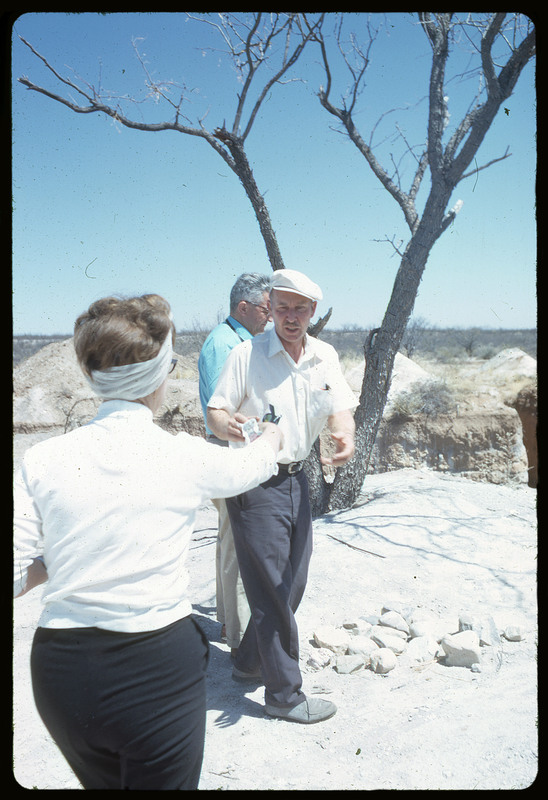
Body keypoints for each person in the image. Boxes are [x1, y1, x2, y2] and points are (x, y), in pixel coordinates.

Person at [13, 293, 283, 790]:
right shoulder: (181, 455)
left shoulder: (42, 459)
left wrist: (64, 554)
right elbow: (252, 466)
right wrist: (268, 438)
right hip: (153, 663)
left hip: (60, 668)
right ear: (159, 377)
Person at [207, 269, 356, 725]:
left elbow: (340, 406)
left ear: (313, 312)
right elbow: (216, 409)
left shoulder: (324, 355)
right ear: (270, 309)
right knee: (271, 587)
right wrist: (228, 425)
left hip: (297, 478)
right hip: (254, 479)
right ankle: (284, 695)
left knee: (293, 581)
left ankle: (251, 659)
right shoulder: (245, 355)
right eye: (283, 308)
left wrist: (342, 434)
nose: (291, 317)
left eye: (301, 309)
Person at [198, 274, 271, 657]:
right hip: (229, 450)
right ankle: (239, 635)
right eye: (265, 308)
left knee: (230, 538)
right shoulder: (223, 344)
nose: (270, 316)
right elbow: (219, 410)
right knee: (237, 543)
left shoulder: (242, 341)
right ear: (243, 307)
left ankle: (229, 620)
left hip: (238, 449)